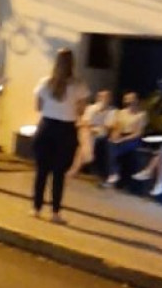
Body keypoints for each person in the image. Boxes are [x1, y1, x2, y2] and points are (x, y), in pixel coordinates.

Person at [32, 48, 89, 222]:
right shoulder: (79, 85)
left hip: (46, 126)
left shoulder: (44, 83)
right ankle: (55, 212)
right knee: (59, 173)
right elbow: (81, 110)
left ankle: (36, 208)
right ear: (73, 63)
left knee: (41, 170)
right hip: (66, 130)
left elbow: (38, 107)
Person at [100, 91, 147, 187]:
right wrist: (115, 135)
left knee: (115, 147)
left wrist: (123, 139)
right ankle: (113, 174)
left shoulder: (141, 115)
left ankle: (113, 174)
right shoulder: (120, 113)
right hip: (120, 135)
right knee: (110, 144)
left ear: (136, 100)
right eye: (127, 99)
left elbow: (138, 133)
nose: (129, 101)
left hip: (132, 138)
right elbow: (115, 127)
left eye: (131, 99)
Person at [69, 89, 115, 177]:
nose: (103, 99)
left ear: (110, 99)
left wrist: (93, 125)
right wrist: (96, 113)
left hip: (97, 132)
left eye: (106, 97)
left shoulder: (112, 111)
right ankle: (87, 156)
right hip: (86, 130)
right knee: (86, 135)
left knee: (82, 145)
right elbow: (85, 122)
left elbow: (108, 126)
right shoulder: (91, 108)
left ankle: (75, 168)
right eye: (101, 96)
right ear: (97, 98)